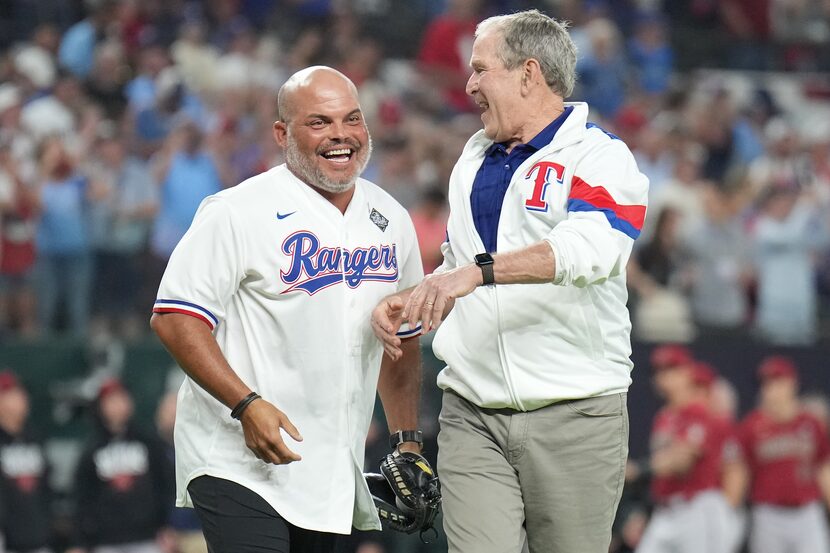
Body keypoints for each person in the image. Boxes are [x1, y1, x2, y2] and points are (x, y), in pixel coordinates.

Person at [371, 10, 648, 553]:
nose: (469, 84)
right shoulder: (472, 159)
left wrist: (476, 273)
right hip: (472, 409)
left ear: (528, 74)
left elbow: (594, 249)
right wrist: (417, 298)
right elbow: (458, 265)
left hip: (576, 412)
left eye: (480, 70)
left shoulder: (601, 157)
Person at [150, 66, 425, 553]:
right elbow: (175, 318)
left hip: (329, 467)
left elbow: (402, 338)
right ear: (282, 133)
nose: (341, 135)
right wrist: (245, 404)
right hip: (238, 457)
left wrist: (406, 441)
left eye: (352, 120)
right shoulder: (238, 210)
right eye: (319, 122)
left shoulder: (391, 220)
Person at [636, 346, 738, 553]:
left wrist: (639, 470)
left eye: (672, 369)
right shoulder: (664, 416)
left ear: (688, 372)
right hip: (665, 509)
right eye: (660, 371)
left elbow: (682, 462)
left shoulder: (701, 412)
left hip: (696, 508)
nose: (665, 377)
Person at [67, 378, 173, 553]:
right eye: (111, 400)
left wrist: (166, 525)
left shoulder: (149, 443)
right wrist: (80, 541)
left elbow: (165, 484)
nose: (117, 406)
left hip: (147, 537)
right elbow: (82, 497)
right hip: (105, 540)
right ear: (100, 406)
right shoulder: (91, 449)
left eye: (121, 398)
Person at [737, 356, 830, 553]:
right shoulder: (751, 426)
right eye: (766, 383)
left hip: (807, 512)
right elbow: (741, 470)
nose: (771, 389)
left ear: (792, 383)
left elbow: (824, 467)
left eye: (777, 381)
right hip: (768, 514)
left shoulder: (811, 422)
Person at [0, 370, 53, 553]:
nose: (20, 399)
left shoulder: (35, 439)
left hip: (36, 539)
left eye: (20, 393)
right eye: (11, 395)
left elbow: (46, 487)